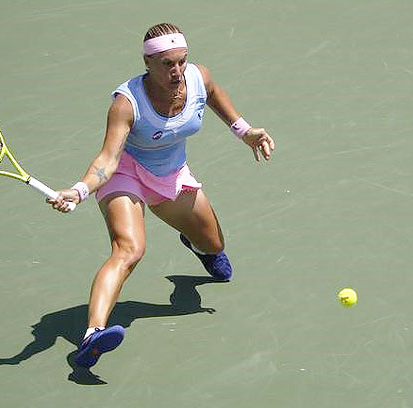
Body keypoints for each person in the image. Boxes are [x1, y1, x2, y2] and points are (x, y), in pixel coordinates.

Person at [47, 23, 275, 369]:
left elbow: (212, 94)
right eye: (167, 64)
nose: (177, 71)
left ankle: (197, 245)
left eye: (182, 61)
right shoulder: (127, 103)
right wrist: (79, 191)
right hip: (126, 175)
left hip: (171, 175)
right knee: (129, 249)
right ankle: (92, 334)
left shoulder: (198, 77)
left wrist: (244, 132)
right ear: (147, 63)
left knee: (214, 245)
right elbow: (107, 160)